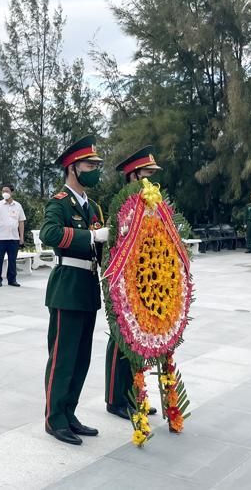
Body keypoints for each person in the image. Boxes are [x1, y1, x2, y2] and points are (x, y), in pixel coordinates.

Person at [39, 135, 107, 445]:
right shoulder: (60, 202)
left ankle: (69, 412)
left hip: (88, 288)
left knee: (81, 358)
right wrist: (90, 238)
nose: (95, 169)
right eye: (90, 164)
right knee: (63, 356)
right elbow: (50, 233)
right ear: (72, 168)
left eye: (96, 165)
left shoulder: (93, 207)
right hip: (67, 286)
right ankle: (54, 419)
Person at [105, 146, 163, 420]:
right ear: (133, 175)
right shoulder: (123, 202)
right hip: (123, 280)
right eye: (147, 173)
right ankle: (116, 399)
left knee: (139, 341)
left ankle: (134, 395)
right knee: (121, 339)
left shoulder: (151, 200)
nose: (151, 178)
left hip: (145, 279)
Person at [0, 184, 27, 288]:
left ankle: (12, 279)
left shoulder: (18, 206)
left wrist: (21, 237)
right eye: (3, 191)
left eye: (7, 191)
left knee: (12, 260)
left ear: (12, 192)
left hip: (14, 238)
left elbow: (21, 222)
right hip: (0, 238)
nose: (5, 193)